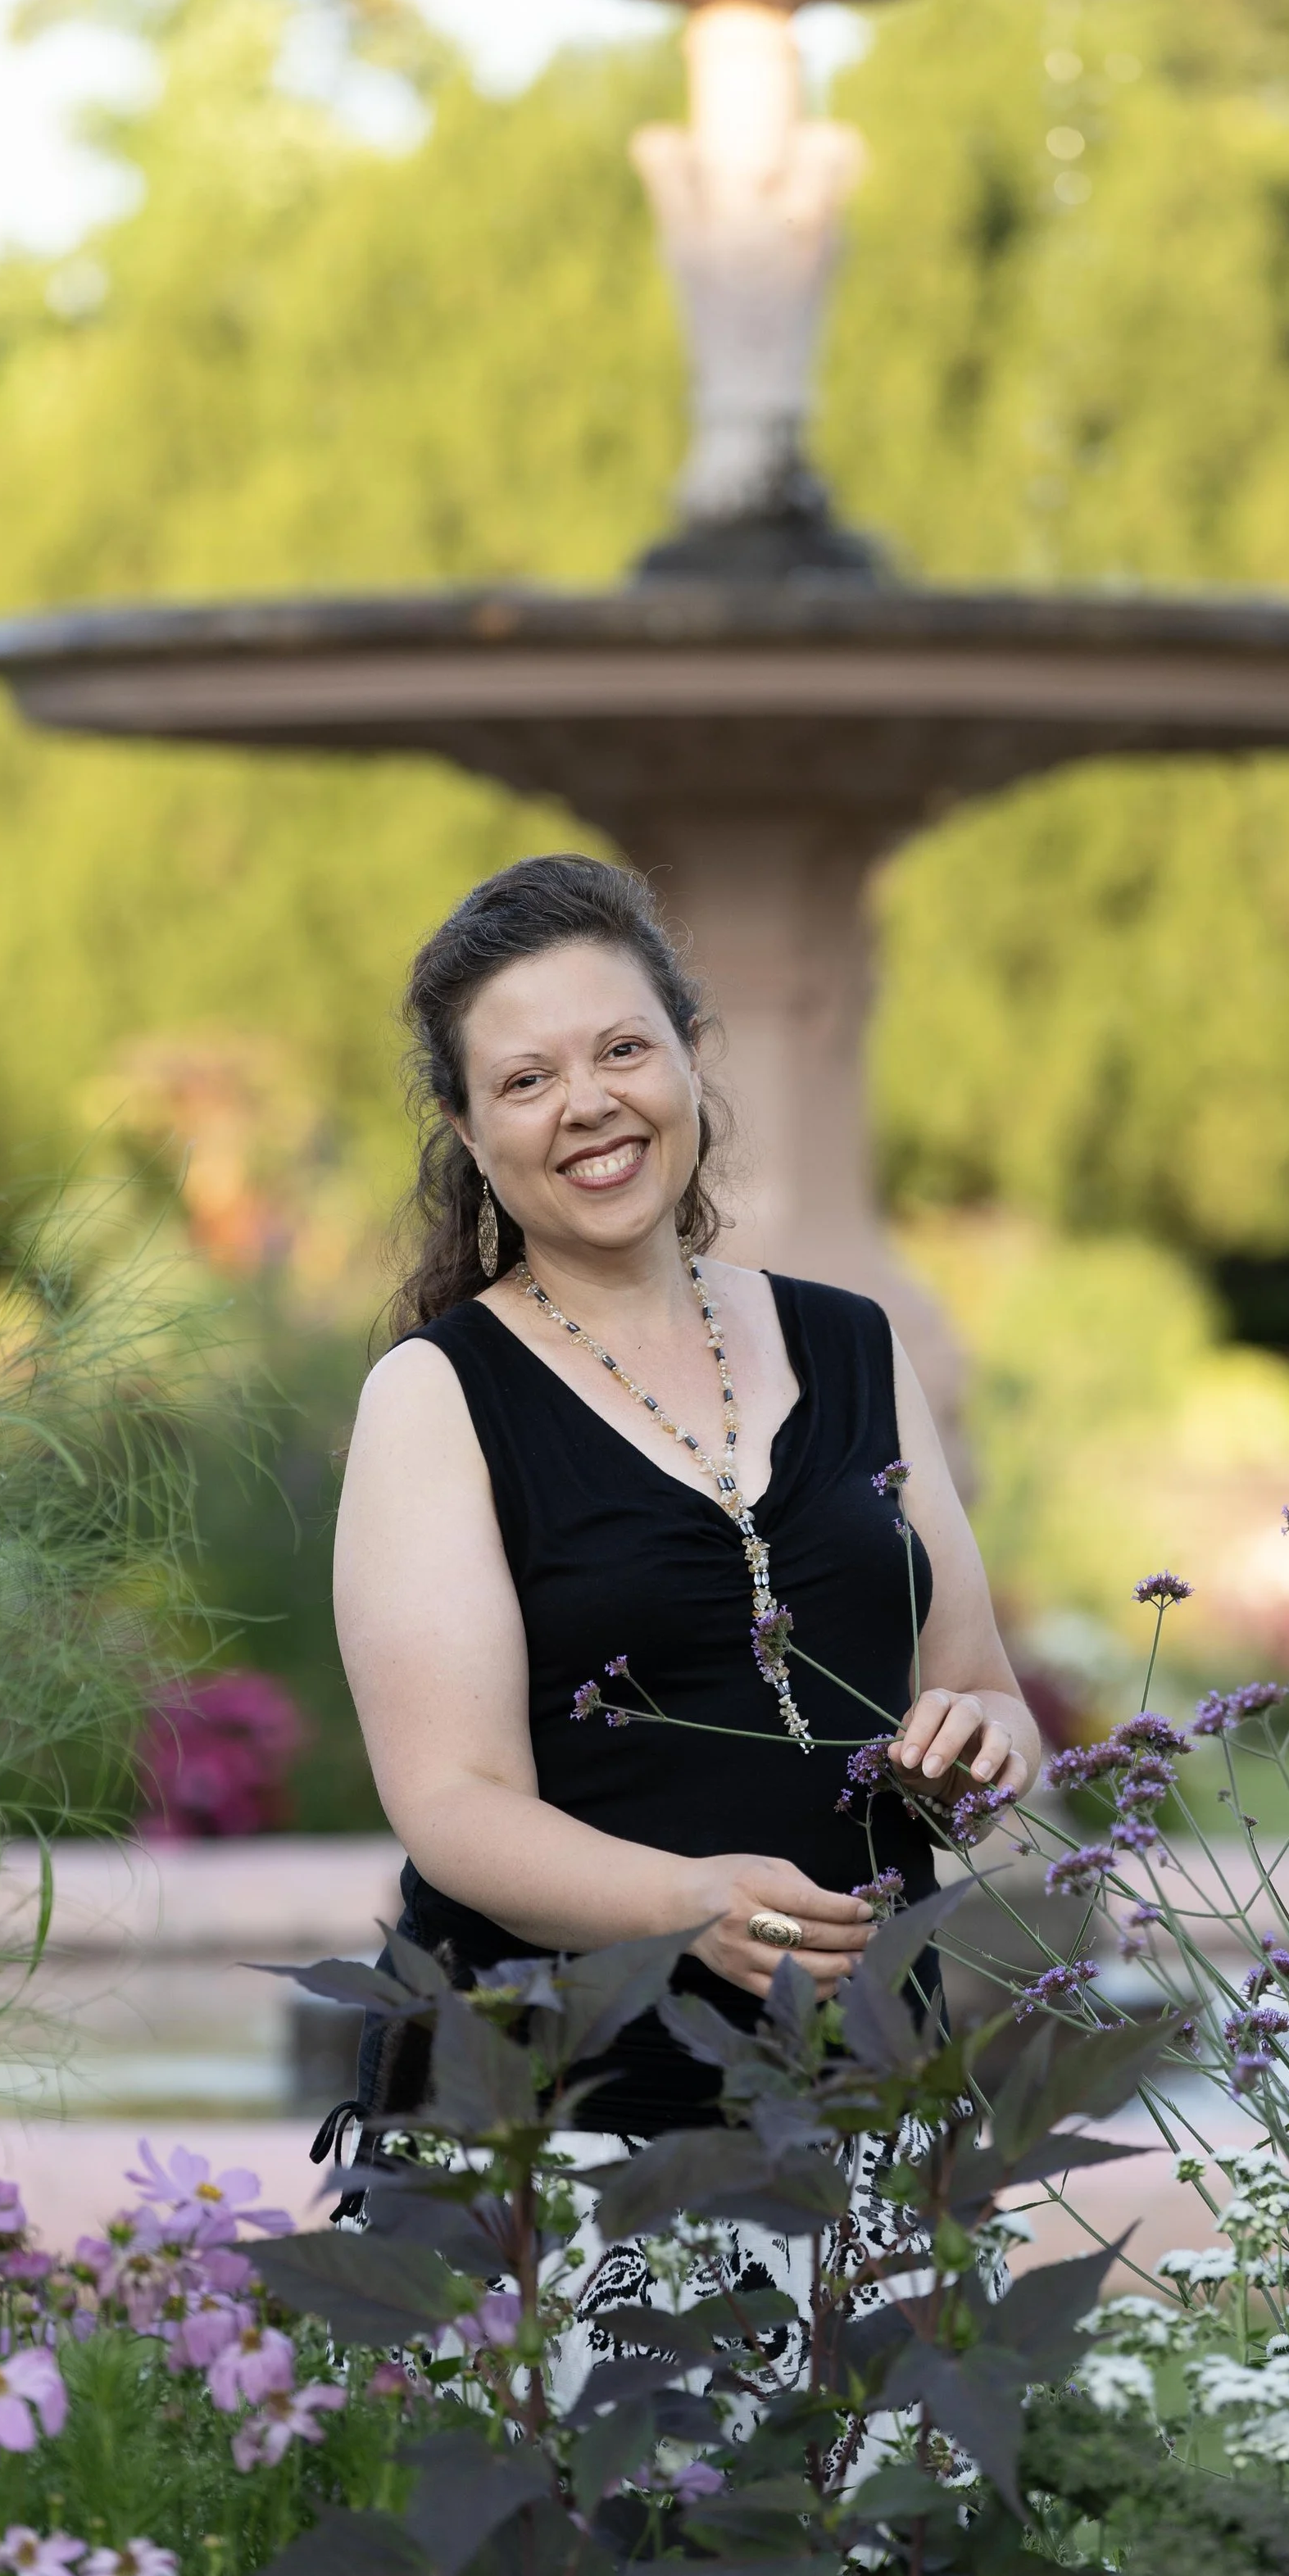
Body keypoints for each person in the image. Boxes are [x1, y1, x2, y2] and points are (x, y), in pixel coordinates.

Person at [330, 851, 1039, 2138]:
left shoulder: (856, 1345)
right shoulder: (437, 1398)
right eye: (527, 1080)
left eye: (620, 1050)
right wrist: (696, 1907)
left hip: (874, 2090)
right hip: (561, 2120)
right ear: (467, 1133)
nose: (588, 1105)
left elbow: (980, 1682)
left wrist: (983, 1748)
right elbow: (453, 1806)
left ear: (690, 1056)